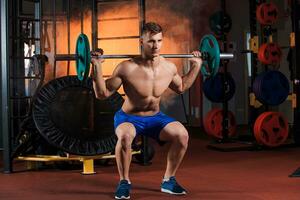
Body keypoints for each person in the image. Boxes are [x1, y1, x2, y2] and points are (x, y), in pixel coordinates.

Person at [91, 22, 202, 200]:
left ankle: (168, 180)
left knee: (182, 135)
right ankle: (124, 182)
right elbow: (102, 94)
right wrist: (96, 66)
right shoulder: (126, 67)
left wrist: (196, 66)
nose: (156, 45)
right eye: (151, 41)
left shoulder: (169, 67)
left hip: (155, 117)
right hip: (129, 118)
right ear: (141, 41)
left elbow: (181, 87)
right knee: (125, 137)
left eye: (159, 41)